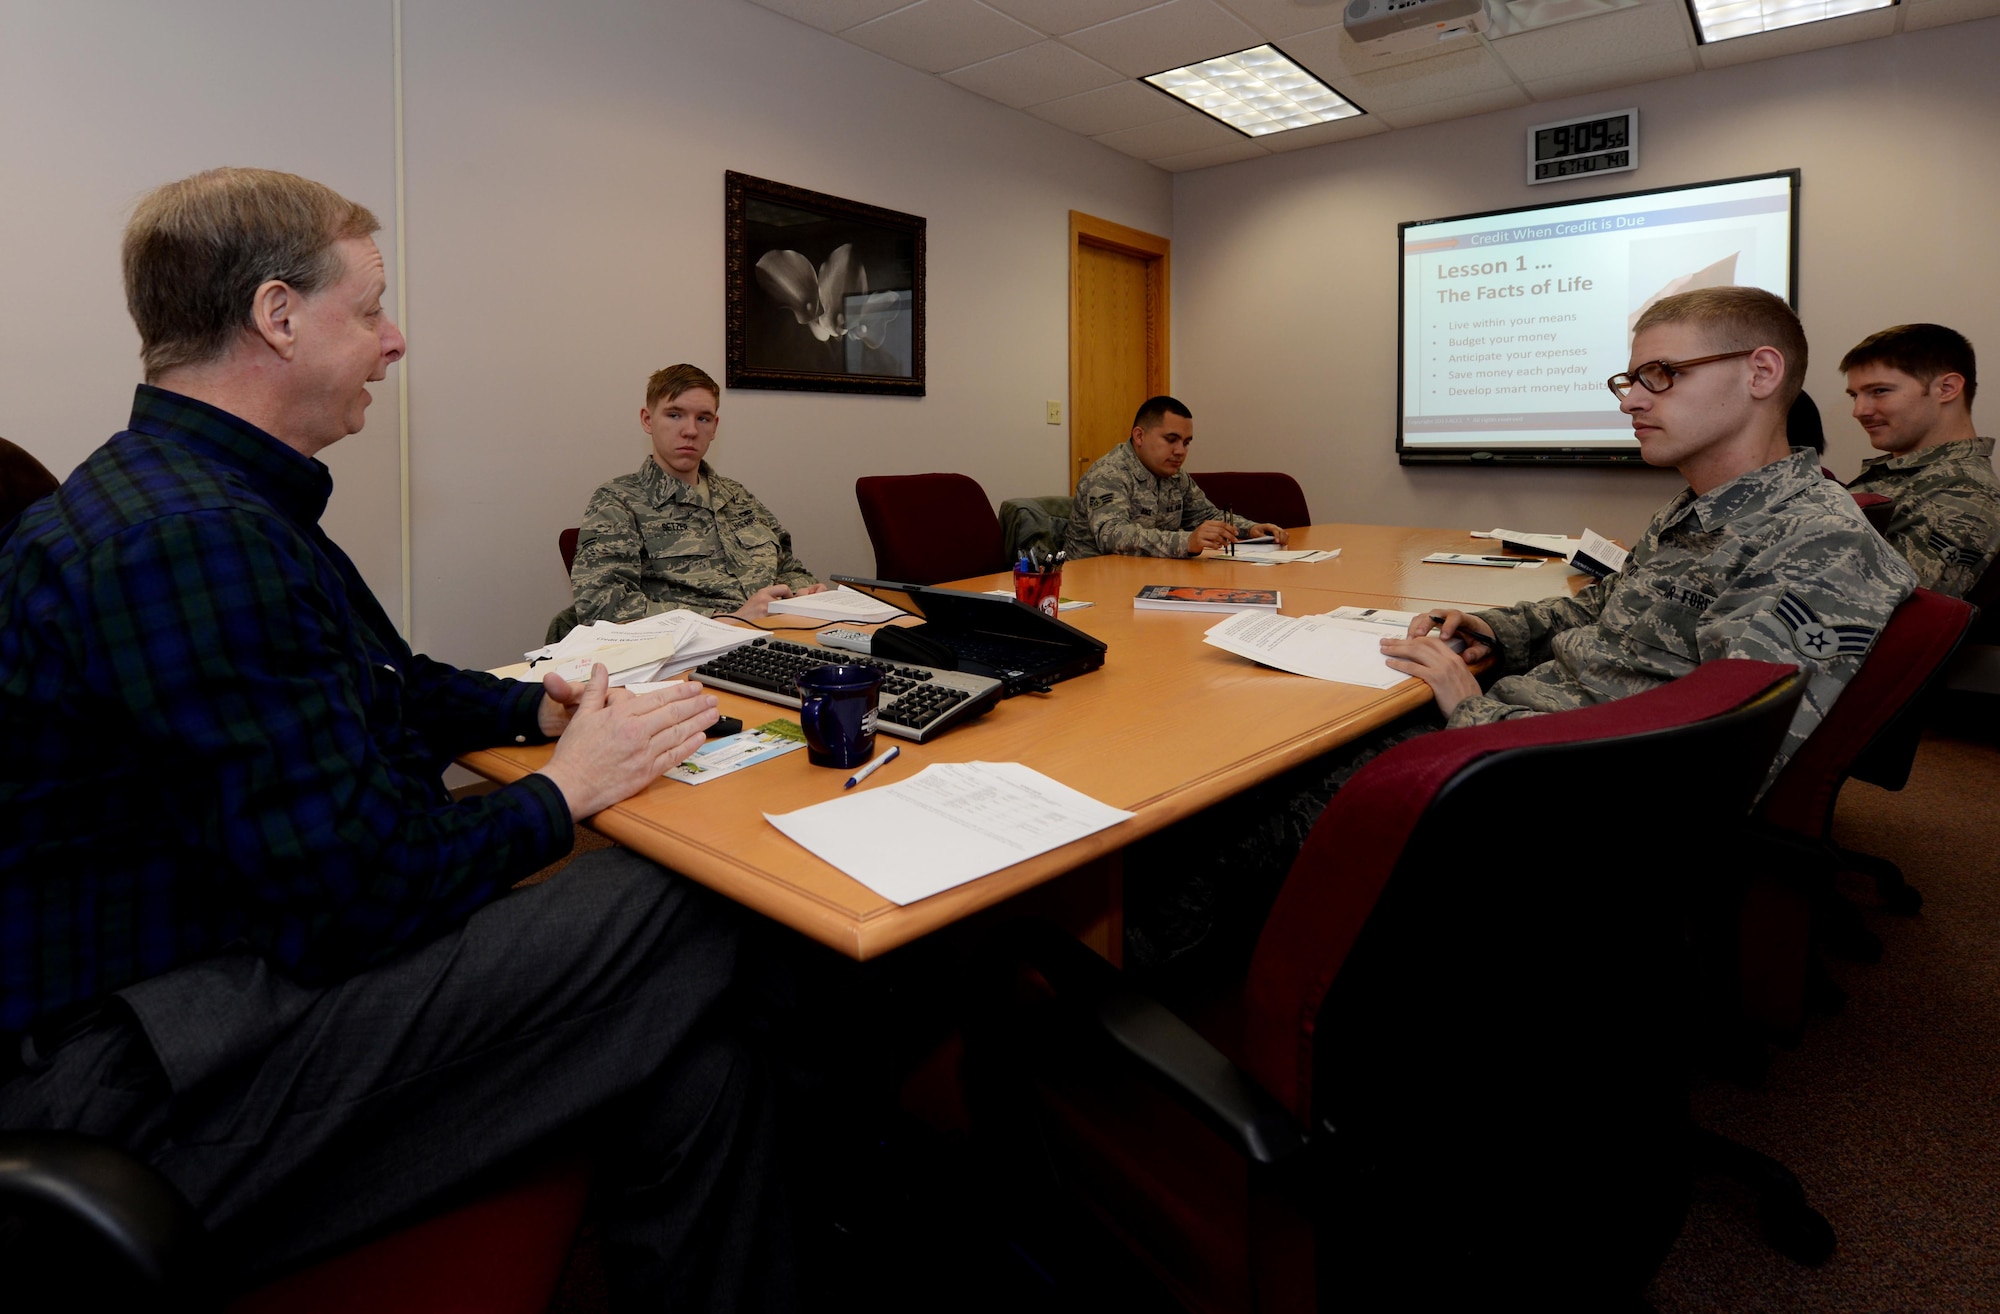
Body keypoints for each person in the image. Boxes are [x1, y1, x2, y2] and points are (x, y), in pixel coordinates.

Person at [0, 168, 793, 1307]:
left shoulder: (195, 497)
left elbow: (380, 684)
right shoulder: (186, 538)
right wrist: (561, 796)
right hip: (161, 1084)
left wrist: (533, 711)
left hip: (215, 973)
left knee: (699, 1068)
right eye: (369, 307)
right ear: (278, 316)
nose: (394, 338)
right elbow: (356, 895)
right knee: (708, 895)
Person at [1126, 287, 1916, 982]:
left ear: (1761, 373)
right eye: (1629, 380)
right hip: (1526, 732)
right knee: (1262, 764)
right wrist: (1494, 629)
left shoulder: (1815, 541)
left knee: (1236, 817)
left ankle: (1109, 1011)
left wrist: (1472, 712)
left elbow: (1706, 764)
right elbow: (1606, 612)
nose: (1631, 401)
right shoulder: (1707, 509)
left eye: (1662, 377)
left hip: (1546, 789)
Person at [572, 364, 826, 622]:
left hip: (775, 635)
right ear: (648, 420)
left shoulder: (736, 496)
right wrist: (726, 618)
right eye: (674, 415)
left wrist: (804, 591)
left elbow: (787, 567)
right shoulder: (617, 502)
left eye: (703, 418)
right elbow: (602, 608)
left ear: (714, 427)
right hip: (690, 651)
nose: (691, 431)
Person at [1840, 323, 1999, 598]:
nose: (1859, 410)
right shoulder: (1906, 478)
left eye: (1879, 391)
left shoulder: (1963, 495)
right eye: (1855, 395)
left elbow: (1877, 617)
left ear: (1947, 388)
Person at [1063, 395, 1291, 560]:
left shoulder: (1174, 475)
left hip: (1148, 574)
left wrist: (1250, 529)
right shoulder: (1108, 474)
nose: (1181, 451)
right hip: (1094, 585)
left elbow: (1205, 514)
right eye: (1171, 439)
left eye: (1186, 442)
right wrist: (1186, 542)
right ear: (1139, 436)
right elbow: (1112, 536)